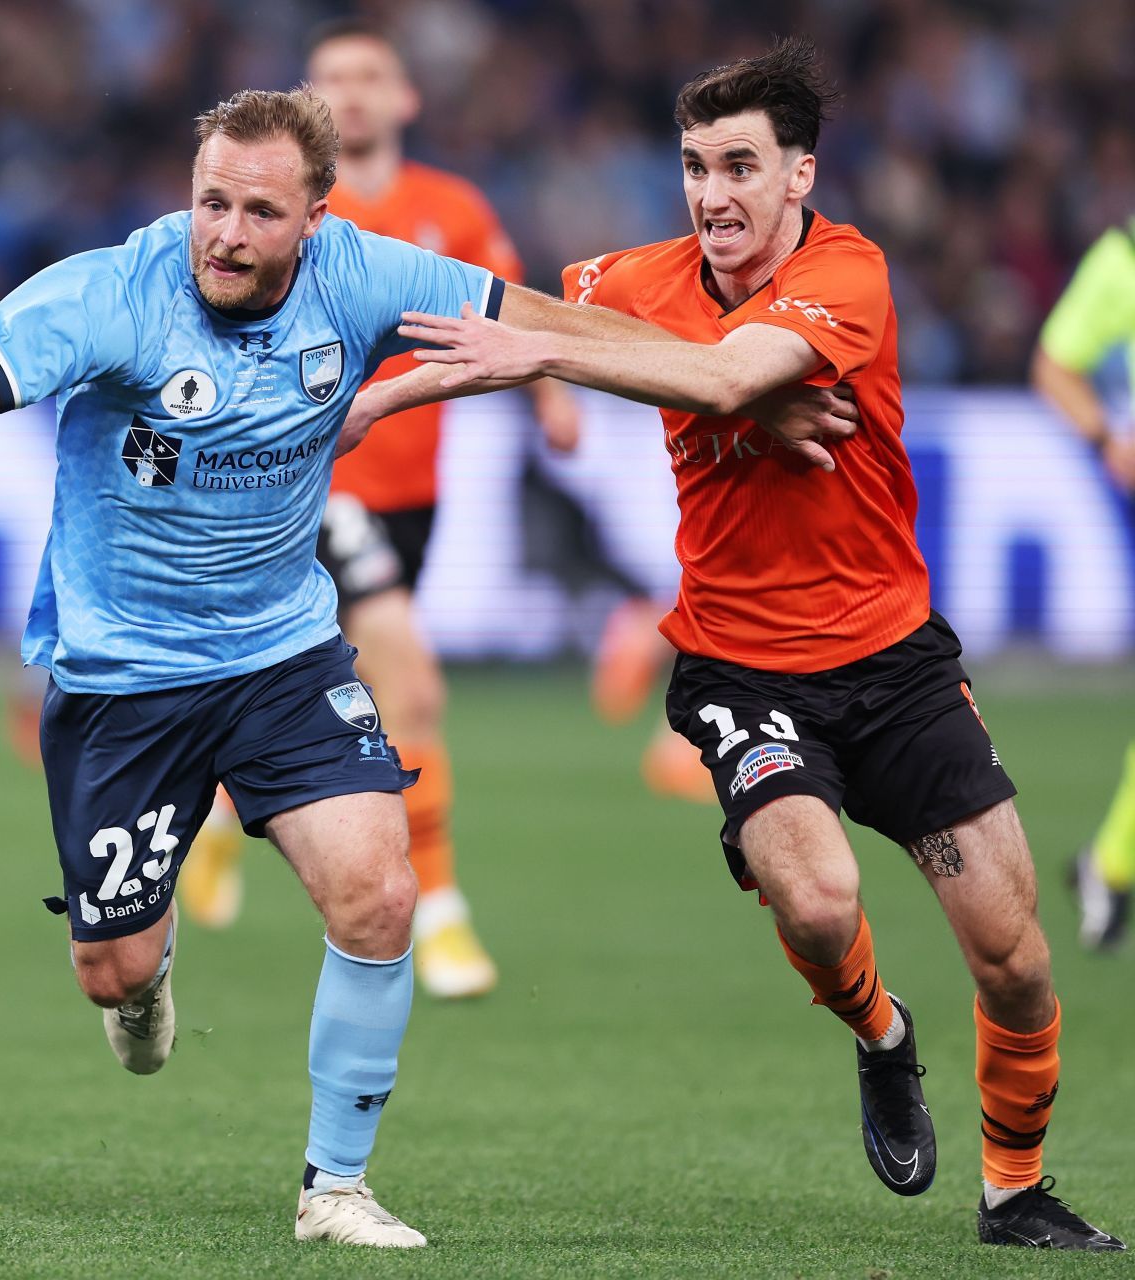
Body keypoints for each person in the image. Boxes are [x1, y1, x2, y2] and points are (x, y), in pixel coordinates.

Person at [0, 86, 549, 1250]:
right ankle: (142, 966)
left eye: (258, 211)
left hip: (284, 653)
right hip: (124, 679)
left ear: (315, 219)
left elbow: (544, 320)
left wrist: (732, 371)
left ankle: (336, 1186)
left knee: (378, 893)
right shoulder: (109, 296)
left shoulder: (367, 275)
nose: (224, 231)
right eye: (210, 200)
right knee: (110, 967)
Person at [347, 38, 1124, 1251]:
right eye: (696, 165)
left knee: (1017, 958)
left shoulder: (850, 274)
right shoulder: (644, 276)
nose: (713, 193)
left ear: (801, 176)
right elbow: (517, 318)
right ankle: (882, 1034)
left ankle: (1014, 1191)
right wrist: (385, 395)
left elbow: (716, 376)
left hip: (897, 663)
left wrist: (633, 367)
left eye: (741, 166)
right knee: (818, 901)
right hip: (740, 666)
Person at [178, 19, 583, 999]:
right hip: (316, 482)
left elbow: (502, 310)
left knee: (318, 682)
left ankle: (226, 806)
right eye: (332, 80)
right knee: (412, 678)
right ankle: (438, 914)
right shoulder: (285, 217)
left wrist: (551, 392)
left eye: (371, 78)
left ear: (407, 99)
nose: (353, 95)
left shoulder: (451, 207)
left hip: (413, 497)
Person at [1030, 215, 1135, 952]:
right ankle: (1109, 867)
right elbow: (1054, 364)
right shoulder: (1124, 257)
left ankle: (1108, 867)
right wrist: (1106, 438)